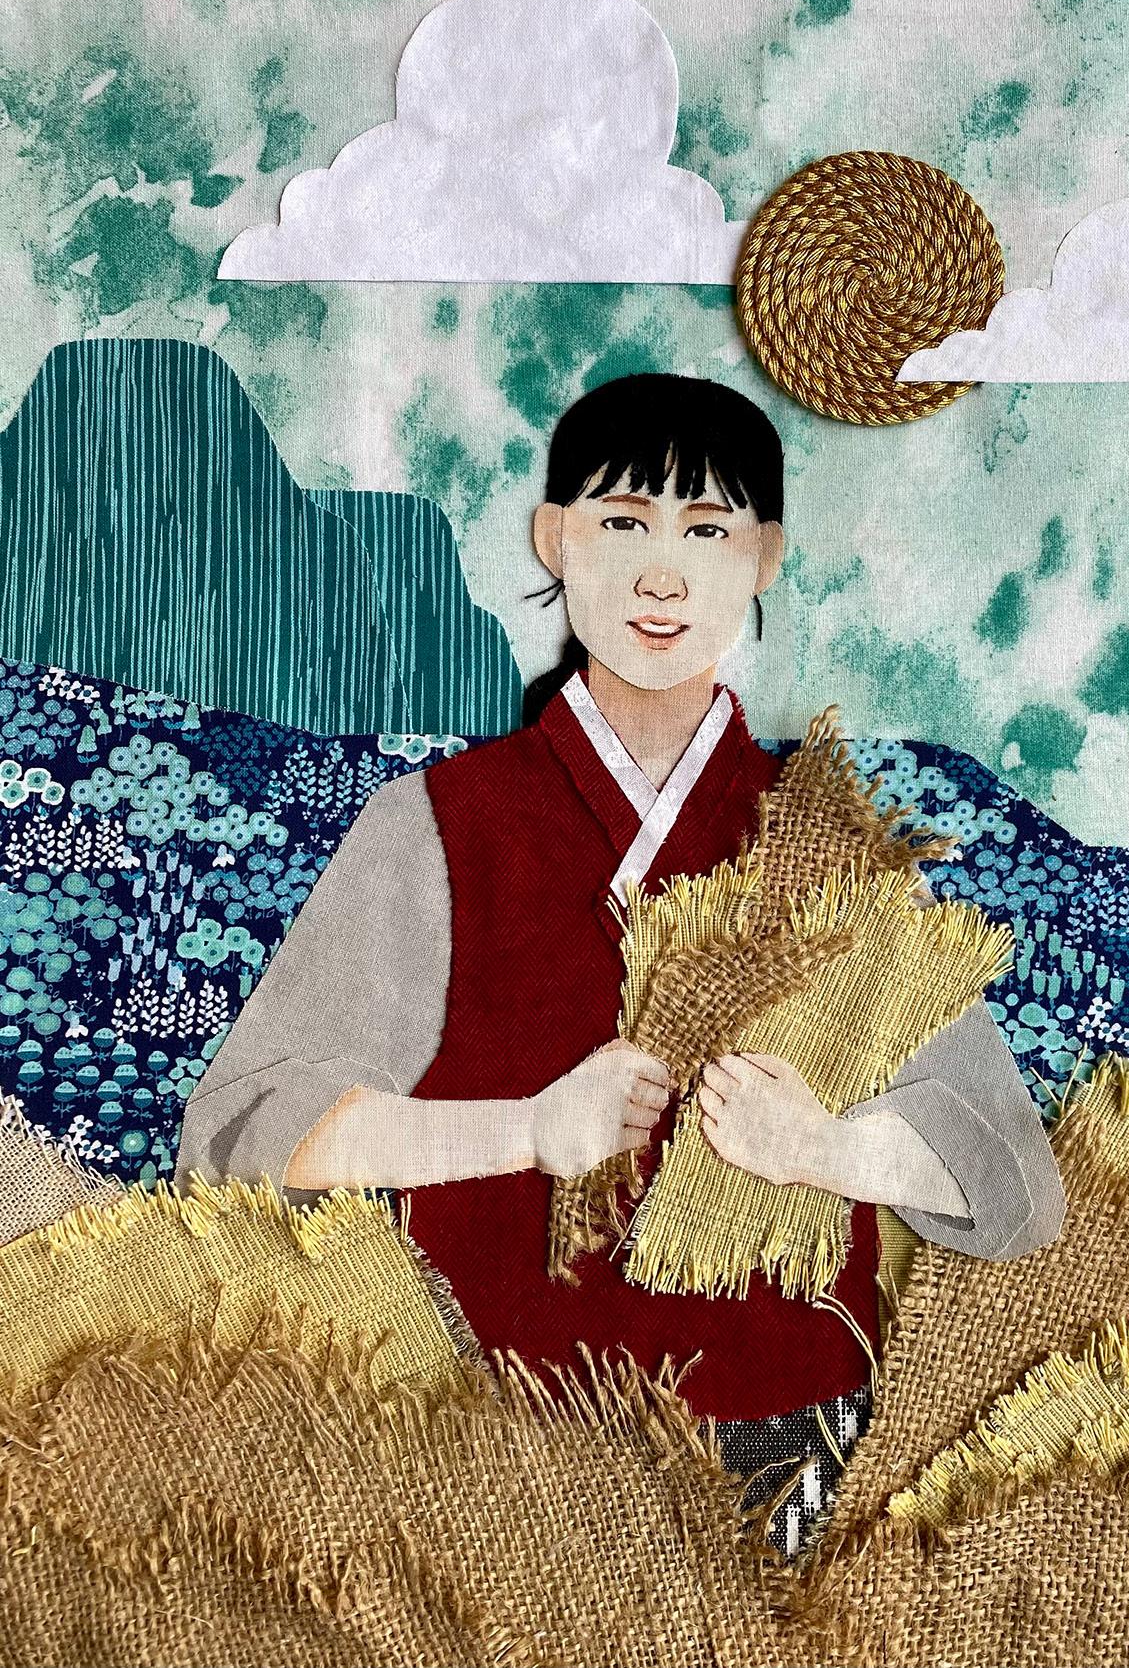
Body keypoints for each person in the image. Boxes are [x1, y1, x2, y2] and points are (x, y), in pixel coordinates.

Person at [176, 372, 1064, 1551]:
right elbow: (238, 1135)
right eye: (623, 522)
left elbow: (1016, 1184)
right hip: (496, 1439)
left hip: (787, 1431)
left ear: (765, 558)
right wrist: (527, 1129)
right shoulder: (434, 825)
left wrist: (825, 1149)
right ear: (555, 539)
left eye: (707, 531)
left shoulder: (830, 842)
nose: (662, 575)